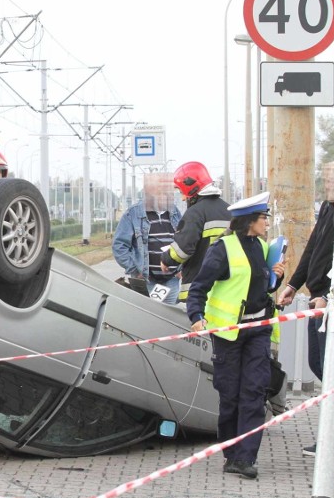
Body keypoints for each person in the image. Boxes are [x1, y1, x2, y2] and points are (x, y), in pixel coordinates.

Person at [187, 192, 285, 480]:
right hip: (229, 334)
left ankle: (246, 458)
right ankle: (231, 453)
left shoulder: (263, 247)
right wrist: (196, 316)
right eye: (264, 218)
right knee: (230, 395)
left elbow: (262, 288)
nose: (267, 223)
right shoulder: (223, 249)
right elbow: (199, 287)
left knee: (254, 393)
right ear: (250, 221)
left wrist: (276, 276)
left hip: (258, 330)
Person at [276, 159, 334, 456]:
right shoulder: (329, 209)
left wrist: (331, 296)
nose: (328, 184)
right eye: (326, 178)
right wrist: (292, 285)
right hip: (319, 298)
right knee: (321, 365)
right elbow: (313, 249)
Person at [161, 161, 232, 302]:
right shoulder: (230, 210)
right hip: (226, 286)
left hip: (199, 289)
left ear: (191, 189)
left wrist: (166, 259)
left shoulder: (195, 213)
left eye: (182, 192)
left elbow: (183, 249)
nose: (182, 197)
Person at [112, 172, 182, 303]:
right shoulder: (132, 214)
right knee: (149, 319)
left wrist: (181, 268)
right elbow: (119, 246)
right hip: (146, 280)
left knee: (169, 319)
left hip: (172, 279)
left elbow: (184, 241)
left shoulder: (175, 212)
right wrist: (135, 269)